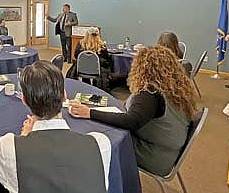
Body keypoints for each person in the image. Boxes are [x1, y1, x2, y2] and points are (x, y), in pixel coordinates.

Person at [0, 61, 111, 193]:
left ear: (24, 101)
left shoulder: (8, 147)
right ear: (64, 96)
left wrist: (25, 137)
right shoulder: (100, 144)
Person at [69, 46, 198, 176]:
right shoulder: (174, 88)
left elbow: (130, 121)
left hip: (152, 155)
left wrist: (89, 112)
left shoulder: (150, 93)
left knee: (100, 139)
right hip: (167, 152)